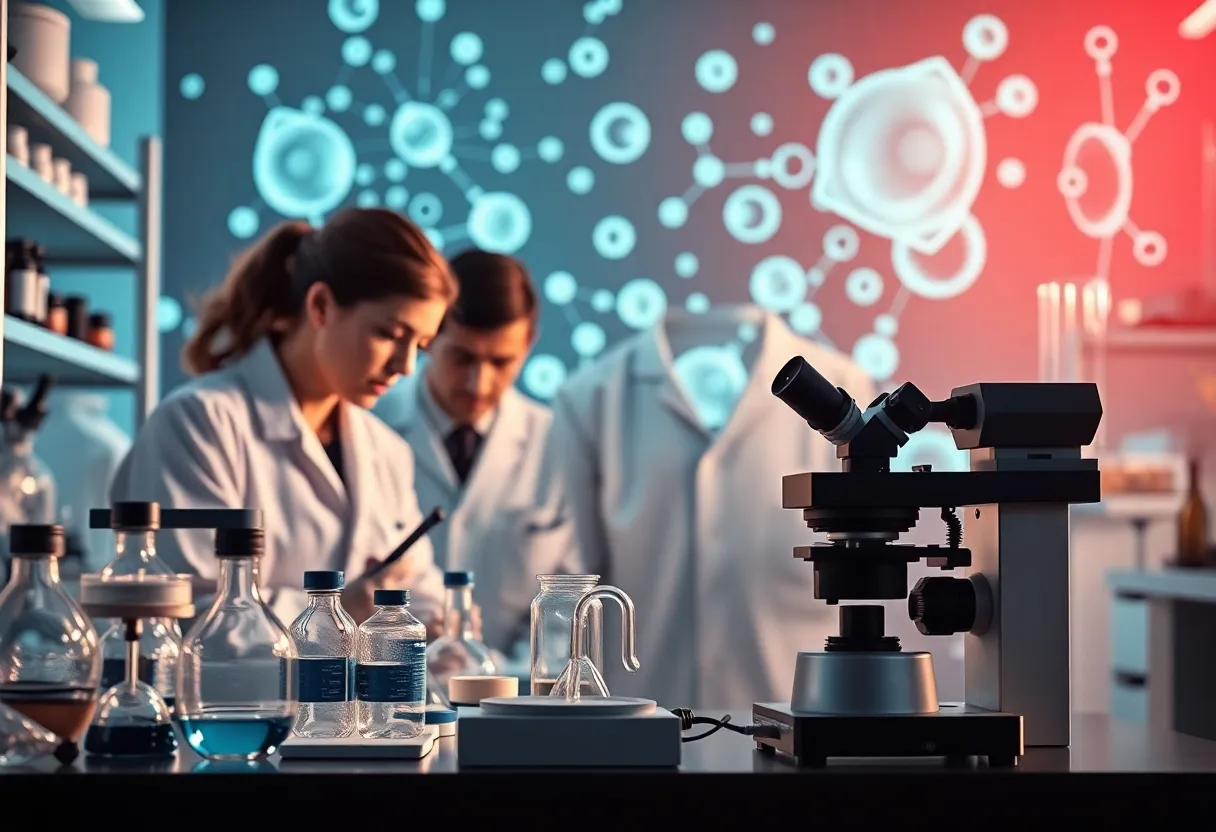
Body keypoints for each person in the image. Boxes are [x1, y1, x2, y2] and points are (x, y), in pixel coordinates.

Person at [109, 207, 457, 627]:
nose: (404, 366)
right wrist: (338, 614)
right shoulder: (199, 423)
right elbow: (186, 613)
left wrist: (439, 627)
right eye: (390, 335)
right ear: (321, 306)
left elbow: (422, 594)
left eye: (420, 345)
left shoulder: (386, 451)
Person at [372, 249, 573, 658]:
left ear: (529, 344)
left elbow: (567, 604)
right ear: (428, 338)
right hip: (389, 697)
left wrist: (501, 682)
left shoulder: (560, 445)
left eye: (501, 361)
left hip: (520, 702)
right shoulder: (370, 429)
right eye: (462, 358)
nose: (478, 384)